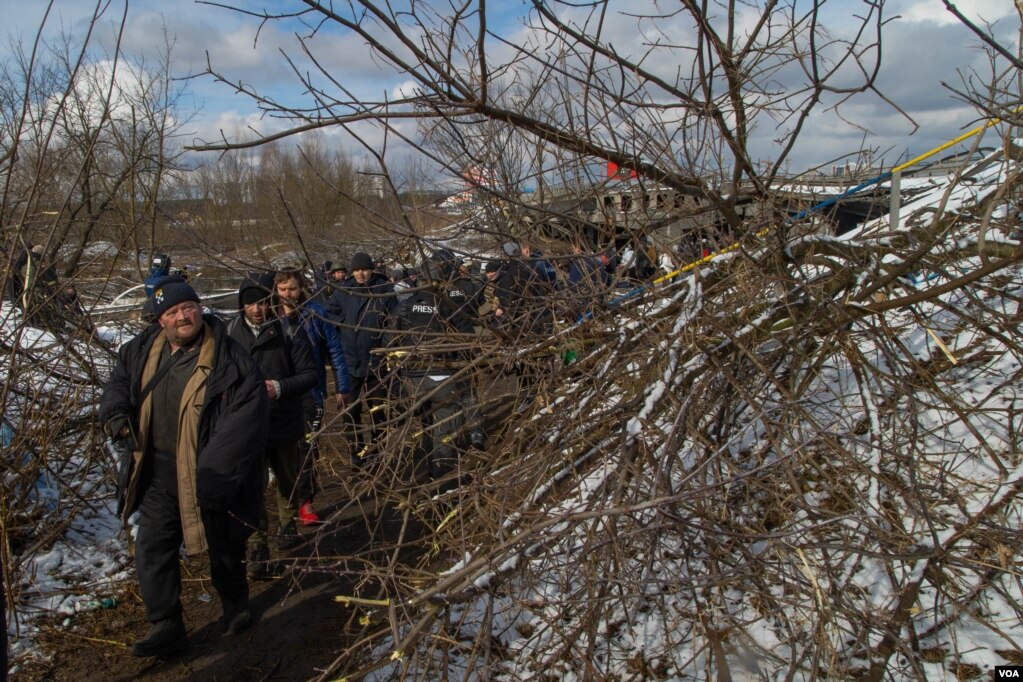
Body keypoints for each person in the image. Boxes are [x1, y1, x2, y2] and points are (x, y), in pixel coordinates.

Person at [99, 275, 268, 657]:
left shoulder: (232, 358)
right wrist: (115, 414)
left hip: (211, 474)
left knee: (223, 545)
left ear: (199, 308)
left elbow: (245, 421)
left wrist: (213, 471)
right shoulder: (140, 350)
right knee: (152, 548)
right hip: (157, 471)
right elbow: (118, 384)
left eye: (188, 308)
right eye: (172, 312)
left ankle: (236, 604)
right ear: (160, 320)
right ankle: (166, 624)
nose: (182, 317)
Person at [226, 273, 318, 579]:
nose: (256, 309)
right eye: (249, 303)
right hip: (246, 425)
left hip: (283, 418)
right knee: (250, 487)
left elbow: (310, 373)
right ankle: (257, 546)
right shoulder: (228, 335)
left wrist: (278, 387)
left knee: (287, 478)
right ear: (241, 305)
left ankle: (287, 522)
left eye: (262, 302)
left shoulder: (289, 329)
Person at [390, 254, 476, 487]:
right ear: (441, 280)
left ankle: (430, 467)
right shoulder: (448, 306)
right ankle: (442, 476)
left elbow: (390, 339)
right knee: (443, 426)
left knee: (425, 424)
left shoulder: (405, 306)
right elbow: (467, 336)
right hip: (442, 375)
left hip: (413, 378)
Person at [273, 268, 351, 526]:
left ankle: (306, 502)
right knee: (282, 449)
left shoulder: (315, 313)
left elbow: (334, 350)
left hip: (311, 392)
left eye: (292, 289)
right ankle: (286, 500)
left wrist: (342, 385)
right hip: (279, 391)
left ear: (301, 288)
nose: (287, 294)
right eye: (282, 289)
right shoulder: (270, 316)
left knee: (307, 449)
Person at [325, 252, 397, 465]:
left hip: (376, 362)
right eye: (356, 270)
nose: (360, 274)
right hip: (350, 362)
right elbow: (327, 312)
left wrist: (384, 348)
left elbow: (393, 323)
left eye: (364, 269)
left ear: (371, 269)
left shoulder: (384, 291)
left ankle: (377, 451)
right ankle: (357, 452)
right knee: (351, 411)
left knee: (378, 412)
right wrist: (343, 324)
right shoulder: (344, 291)